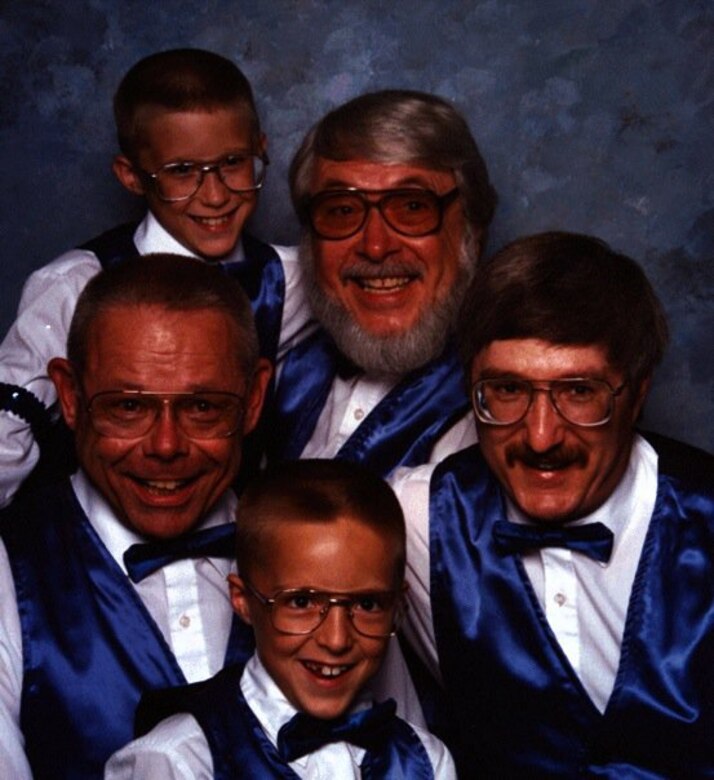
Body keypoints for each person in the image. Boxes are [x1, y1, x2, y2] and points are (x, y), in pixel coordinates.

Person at [391, 231, 714, 777]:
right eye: (508, 391)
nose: (541, 437)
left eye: (579, 392)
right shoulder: (417, 518)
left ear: (636, 394)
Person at [0, 255, 272, 779]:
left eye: (203, 407)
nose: (166, 446)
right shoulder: (10, 569)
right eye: (128, 407)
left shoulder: (321, 552)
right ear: (72, 398)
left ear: (255, 398)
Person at [0, 47, 307, 507]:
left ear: (260, 149)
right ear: (131, 176)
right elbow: (7, 438)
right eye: (182, 171)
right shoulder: (73, 287)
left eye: (232, 163)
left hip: (233, 554)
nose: (216, 195)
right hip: (96, 557)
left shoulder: (294, 280)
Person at [105, 459, 456, 779]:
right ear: (242, 600)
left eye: (367, 604)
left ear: (398, 605)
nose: (336, 640)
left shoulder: (427, 760)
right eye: (301, 601)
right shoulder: (180, 760)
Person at [267, 89, 497, 476]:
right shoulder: (271, 362)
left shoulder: (505, 416)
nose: (375, 247)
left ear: (472, 230)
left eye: (412, 207)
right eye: (341, 210)